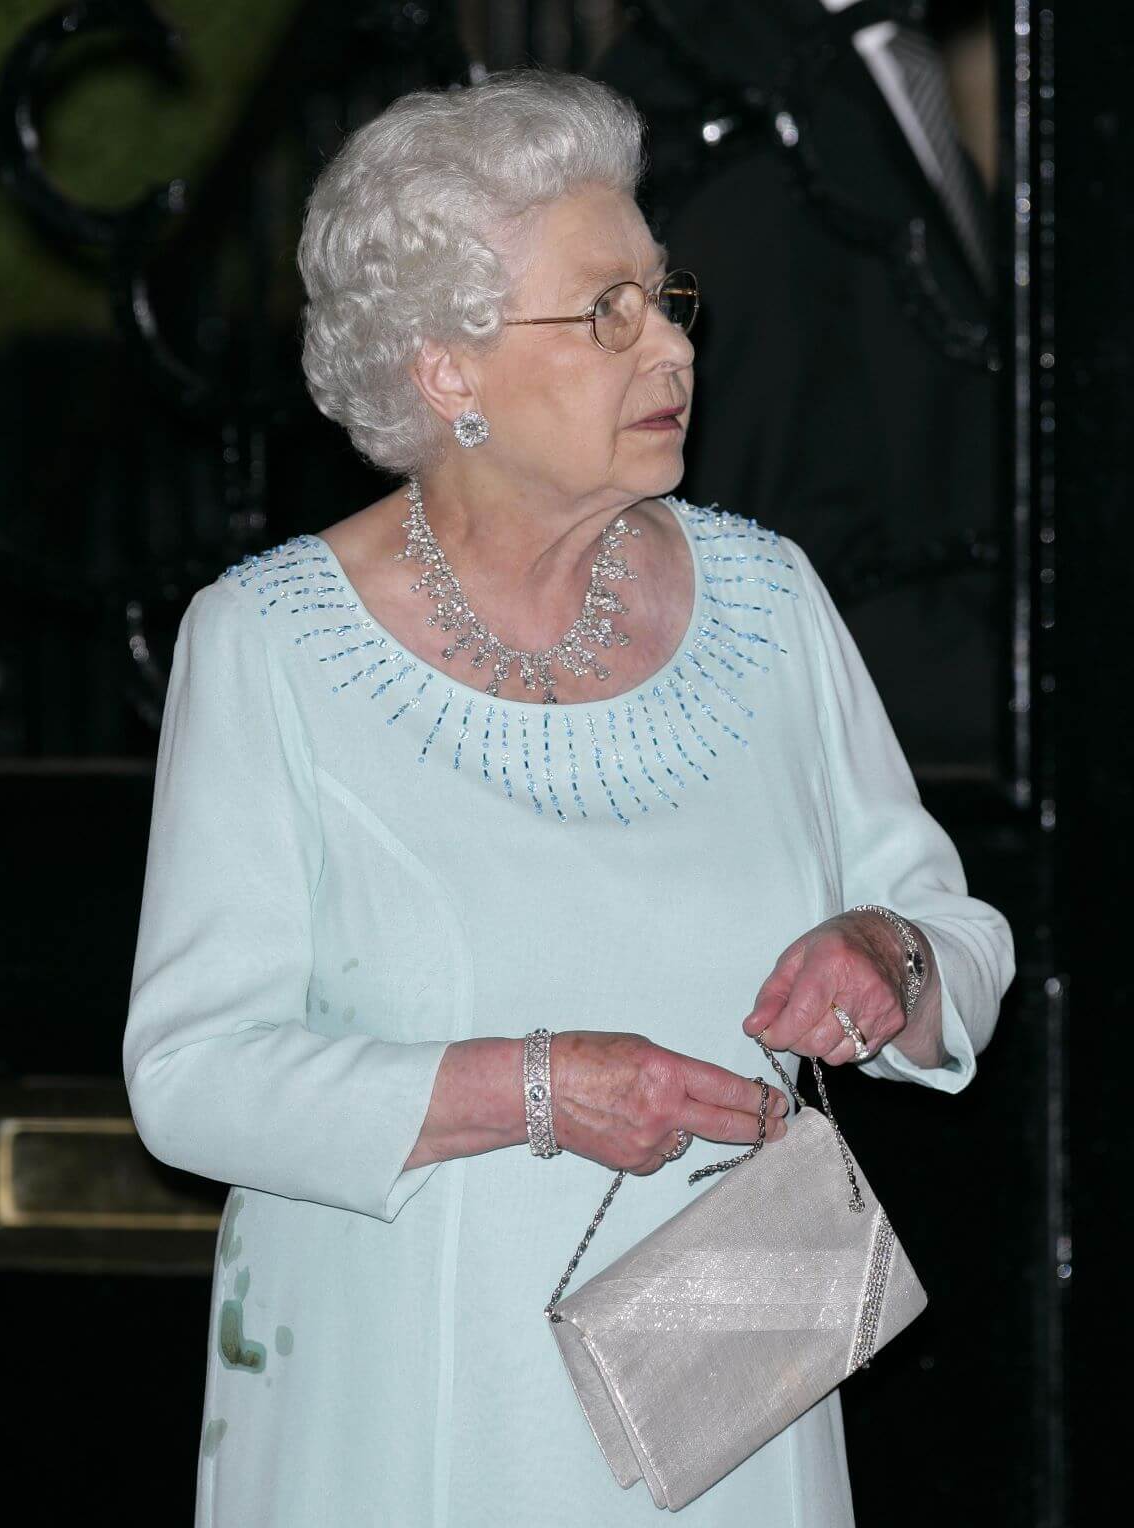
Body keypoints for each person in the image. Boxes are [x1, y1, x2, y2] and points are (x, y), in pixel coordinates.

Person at [123, 69, 1013, 1528]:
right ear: (445, 371)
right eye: (603, 312)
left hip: (736, 1387)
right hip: (414, 1402)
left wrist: (892, 959)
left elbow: (953, 934)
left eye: (665, 301)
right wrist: (535, 1089)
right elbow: (191, 1077)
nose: (668, 344)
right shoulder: (273, 645)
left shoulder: (768, 601)